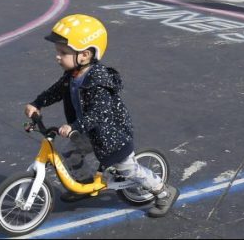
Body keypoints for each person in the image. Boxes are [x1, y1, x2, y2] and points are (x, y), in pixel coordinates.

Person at [25, 14, 179, 216]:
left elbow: (99, 113)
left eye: (63, 52)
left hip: (111, 137)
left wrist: (75, 126)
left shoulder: (98, 81)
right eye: (58, 51)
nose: (57, 56)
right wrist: (38, 103)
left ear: (85, 55)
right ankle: (86, 184)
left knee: (128, 169)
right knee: (72, 154)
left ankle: (163, 191)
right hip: (90, 131)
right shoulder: (73, 75)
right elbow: (57, 90)